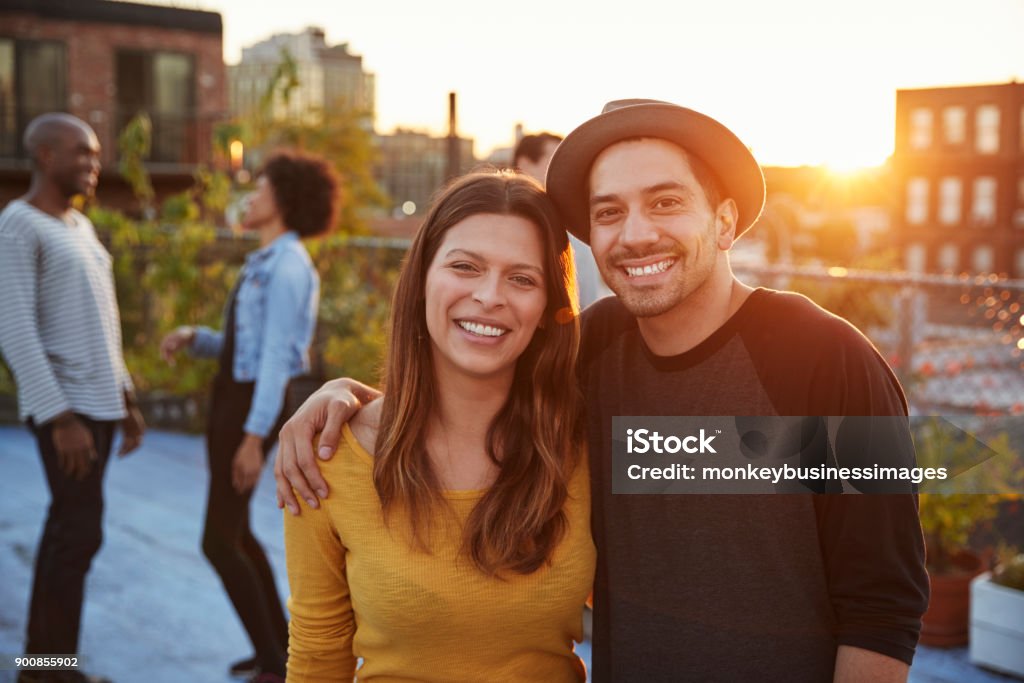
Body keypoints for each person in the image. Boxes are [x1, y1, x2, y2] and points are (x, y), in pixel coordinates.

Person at [274, 101, 929, 682]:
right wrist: (342, 396)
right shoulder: (593, 354)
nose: (636, 233)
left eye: (666, 201)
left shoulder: (825, 358)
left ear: (725, 222)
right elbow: (475, 371)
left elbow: (882, 604)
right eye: (609, 212)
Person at [283, 171, 595, 682]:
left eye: (522, 278)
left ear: (546, 309)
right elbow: (318, 658)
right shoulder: (328, 453)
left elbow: (744, 464)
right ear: (423, 279)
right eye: (465, 267)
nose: (490, 296)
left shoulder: (589, 446)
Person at [159, 151, 338, 683]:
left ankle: (275, 661)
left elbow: (276, 362)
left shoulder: (286, 266)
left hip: (247, 411)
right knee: (237, 532)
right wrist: (197, 339)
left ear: (282, 200)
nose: (250, 197)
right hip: (232, 402)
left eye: (259, 189)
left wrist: (253, 439)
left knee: (217, 540)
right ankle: (275, 651)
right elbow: (246, 348)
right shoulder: (264, 260)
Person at [0, 113, 146, 683]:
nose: (94, 165)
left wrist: (126, 396)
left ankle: (45, 665)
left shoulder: (79, 229)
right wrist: (59, 415)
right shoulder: (18, 225)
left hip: (97, 402)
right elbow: (13, 328)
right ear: (43, 157)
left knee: (72, 531)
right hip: (67, 408)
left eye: (96, 155)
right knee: (77, 533)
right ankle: (46, 668)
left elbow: (102, 321)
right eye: (80, 154)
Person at [513, 132, 611, 308]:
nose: (565, 173)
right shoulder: (483, 225)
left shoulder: (573, 237)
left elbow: (586, 306)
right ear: (525, 165)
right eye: (553, 162)